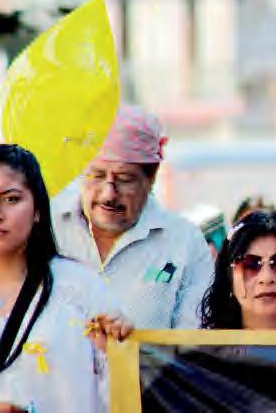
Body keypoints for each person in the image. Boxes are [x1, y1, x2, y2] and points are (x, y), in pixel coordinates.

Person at [52, 106, 213, 329]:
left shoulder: (184, 242)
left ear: (151, 176)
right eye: (97, 175)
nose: (108, 195)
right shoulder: (46, 226)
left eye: (124, 179)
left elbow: (193, 339)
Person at [0, 144, 131, 412]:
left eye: (11, 199)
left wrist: (118, 353)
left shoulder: (80, 287)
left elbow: (121, 396)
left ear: (38, 209)